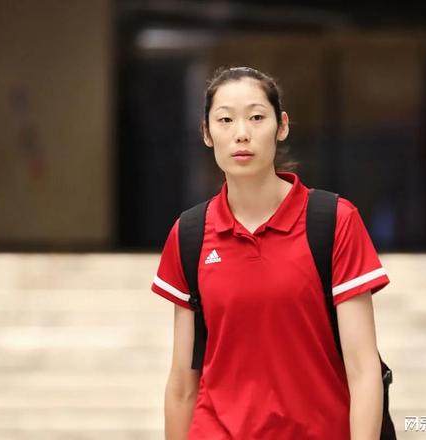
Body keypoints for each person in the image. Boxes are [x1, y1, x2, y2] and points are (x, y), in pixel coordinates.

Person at [151, 66, 390, 439]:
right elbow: (182, 384)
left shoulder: (333, 222)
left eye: (256, 117)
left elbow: (363, 370)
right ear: (206, 133)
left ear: (282, 126)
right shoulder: (190, 234)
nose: (241, 133)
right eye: (225, 120)